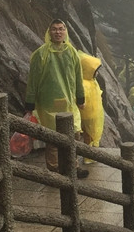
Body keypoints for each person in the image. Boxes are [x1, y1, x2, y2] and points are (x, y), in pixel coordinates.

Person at [25, 19, 88, 177]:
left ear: (65, 31)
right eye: (54, 29)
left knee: (73, 135)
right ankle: (54, 171)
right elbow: (33, 80)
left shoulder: (72, 52)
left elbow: (78, 77)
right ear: (49, 32)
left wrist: (80, 98)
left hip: (68, 102)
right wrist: (30, 102)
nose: (58, 32)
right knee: (52, 139)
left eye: (61, 29)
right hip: (48, 104)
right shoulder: (41, 54)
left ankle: (72, 167)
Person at [78, 52, 105, 159]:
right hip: (87, 115)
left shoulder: (92, 81)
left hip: (93, 114)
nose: (97, 73)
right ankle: (88, 157)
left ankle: (90, 156)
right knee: (88, 137)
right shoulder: (84, 83)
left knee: (90, 137)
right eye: (95, 71)